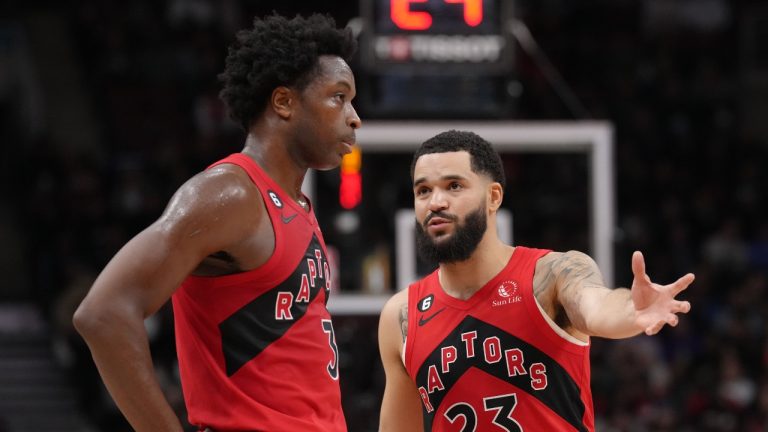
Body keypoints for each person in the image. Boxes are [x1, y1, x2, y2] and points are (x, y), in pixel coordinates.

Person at [73, 13, 361, 432]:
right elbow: (103, 313)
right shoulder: (230, 195)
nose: (354, 117)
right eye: (339, 97)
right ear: (283, 102)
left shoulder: (295, 204)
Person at [378, 130, 694, 432]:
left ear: (493, 196)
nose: (436, 202)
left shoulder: (551, 273)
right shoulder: (401, 314)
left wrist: (630, 311)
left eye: (454, 186)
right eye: (423, 191)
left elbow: (596, 307)